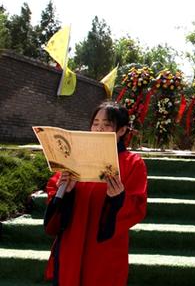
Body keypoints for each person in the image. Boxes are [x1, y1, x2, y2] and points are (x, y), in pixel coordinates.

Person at [43, 101, 148, 286]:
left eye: (107, 124)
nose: (99, 129)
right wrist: (65, 191)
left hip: (104, 246)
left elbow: (137, 205)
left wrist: (117, 199)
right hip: (72, 241)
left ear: (121, 131)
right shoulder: (74, 157)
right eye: (95, 123)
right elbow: (54, 190)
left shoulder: (132, 163)